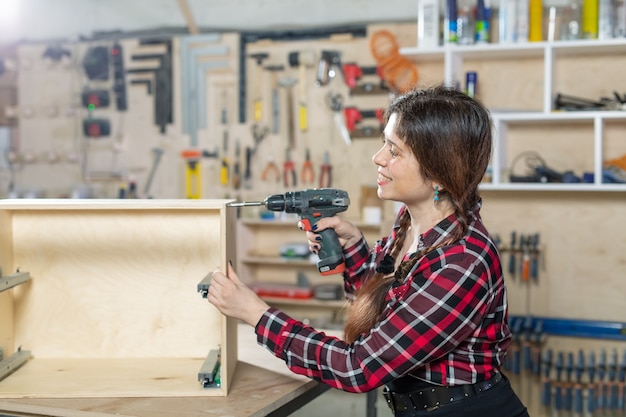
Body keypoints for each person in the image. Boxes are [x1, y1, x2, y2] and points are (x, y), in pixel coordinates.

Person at [208, 85, 529, 416]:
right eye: (384, 143)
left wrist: (256, 314)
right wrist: (355, 250)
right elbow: (387, 315)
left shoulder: (462, 264)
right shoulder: (410, 221)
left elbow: (358, 367)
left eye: (395, 151)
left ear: (440, 173)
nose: (378, 158)